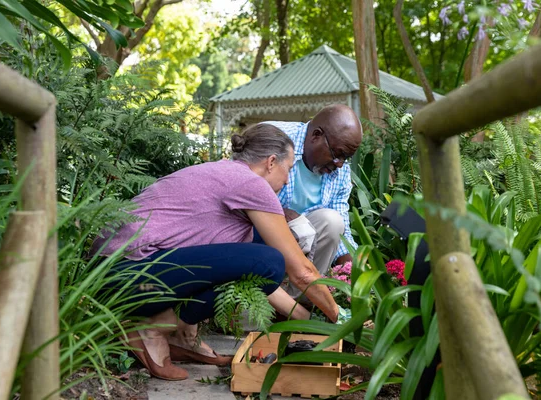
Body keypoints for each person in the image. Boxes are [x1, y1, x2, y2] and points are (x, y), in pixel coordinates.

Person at [91, 123, 339, 381]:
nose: (287, 179)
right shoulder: (251, 183)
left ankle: (183, 335)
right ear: (271, 162)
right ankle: (152, 329)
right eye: (288, 170)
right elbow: (301, 272)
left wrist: (306, 319)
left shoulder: (220, 171)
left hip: (111, 277)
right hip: (129, 276)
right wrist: (342, 319)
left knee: (261, 248)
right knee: (271, 262)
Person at [261, 104, 363, 300]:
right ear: (316, 135)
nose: (340, 164)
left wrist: (356, 272)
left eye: (346, 158)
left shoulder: (339, 172)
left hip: (303, 250)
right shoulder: (273, 138)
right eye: (338, 154)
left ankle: (301, 303)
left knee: (332, 221)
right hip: (261, 237)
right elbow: (238, 187)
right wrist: (280, 212)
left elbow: (341, 228)